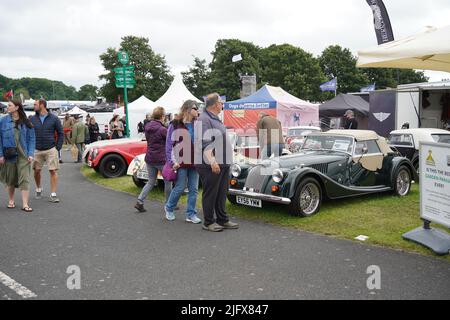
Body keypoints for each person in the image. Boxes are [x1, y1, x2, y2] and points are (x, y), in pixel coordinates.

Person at [195, 93, 239, 232]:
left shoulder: (215, 118)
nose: (222, 104)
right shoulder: (203, 119)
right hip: (210, 164)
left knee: (221, 193)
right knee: (211, 193)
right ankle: (208, 222)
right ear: (214, 104)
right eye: (221, 102)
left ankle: (222, 219)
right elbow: (204, 143)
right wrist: (213, 162)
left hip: (223, 162)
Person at [163, 100, 201, 223]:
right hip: (180, 162)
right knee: (179, 187)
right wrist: (172, 161)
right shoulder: (174, 124)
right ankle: (169, 208)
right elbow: (169, 144)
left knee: (194, 189)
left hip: (194, 161)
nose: (197, 111)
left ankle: (191, 214)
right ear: (187, 109)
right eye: (195, 108)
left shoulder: (198, 124)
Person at [134, 107, 172, 212]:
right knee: (168, 181)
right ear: (162, 116)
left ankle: (140, 201)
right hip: (161, 159)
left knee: (151, 181)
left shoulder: (147, 127)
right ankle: (169, 204)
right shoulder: (162, 129)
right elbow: (170, 142)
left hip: (150, 157)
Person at [0, 100, 36, 212]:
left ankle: (25, 204)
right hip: (9, 154)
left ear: (16, 107)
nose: (7, 107)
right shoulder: (3, 121)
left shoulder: (26, 122)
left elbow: (31, 139)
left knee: (24, 178)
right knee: (10, 178)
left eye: (10, 105)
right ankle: (11, 200)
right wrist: (1, 154)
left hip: (24, 155)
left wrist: (30, 154)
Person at [30, 99, 64, 203]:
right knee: (36, 171)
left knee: (53, 170)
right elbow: (28, 134)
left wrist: (57, 147)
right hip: (37, 149)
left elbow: (61, 133)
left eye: (35, 104)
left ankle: (53, 194)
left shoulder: (54, 118)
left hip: (51, 149)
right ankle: (39, 188)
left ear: (42, 105)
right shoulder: (32, 119)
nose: (33, 106)